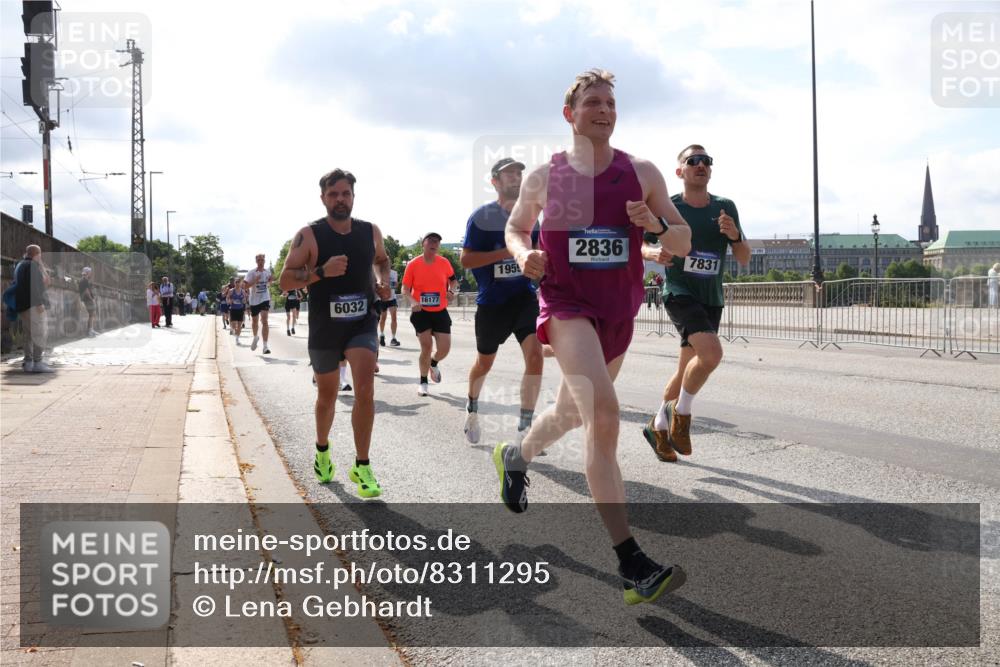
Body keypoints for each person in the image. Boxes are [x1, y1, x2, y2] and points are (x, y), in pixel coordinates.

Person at [499, 68, 691, 605]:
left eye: (610, 102)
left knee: (568, 414)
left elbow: (681, 237)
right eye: (592, 103)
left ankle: (516, 454)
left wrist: (653, 223)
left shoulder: (641, 171)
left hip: (617, 313)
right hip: (565, 305)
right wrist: (523, 255)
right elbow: (516, 227)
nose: (604, 110)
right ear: (570, 115)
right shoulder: (545, 176)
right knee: (603, 415)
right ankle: (631, 564)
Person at [278, 168, 392, 498]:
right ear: (323, 198)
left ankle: (362, 464)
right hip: (325, 327)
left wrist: (384, 282)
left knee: (365, 388)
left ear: (354, 196)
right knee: (327, 396)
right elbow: (285, 281)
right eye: (333, 194)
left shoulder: (371, 232)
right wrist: (321, 272)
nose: (340, 199)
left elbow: (382, 261)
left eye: (345, 193)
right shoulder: (309, 235)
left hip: (362, 322)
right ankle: (323, 451)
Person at [642, 145, 749, 462]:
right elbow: (642, 246)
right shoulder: (669, 207)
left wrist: (734, 236)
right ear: (680, 171)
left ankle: (658, 425)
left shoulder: (725, 207)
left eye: (706, 161)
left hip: (711, 297)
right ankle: (681, 415)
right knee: (712, 353)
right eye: (693, 161)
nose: (701, 165)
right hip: (679, 290)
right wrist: (654, 253)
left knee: (684, 369)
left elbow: (744, 258)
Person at [460, 157, 544, 450]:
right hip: (492, 304)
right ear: (495, 181)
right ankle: (472, 407)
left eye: (520, 173)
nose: (516, 178)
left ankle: (525, 428)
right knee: (484, 363)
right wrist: (508, 254)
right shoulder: (481, 217)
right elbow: (466, 260)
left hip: (523, 298)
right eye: (509, 174)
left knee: (535, 356)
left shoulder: (532, 217)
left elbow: (541, 253)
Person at [402, 233, 459, 396]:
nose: (435, 244)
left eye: (437, 241)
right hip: (421, 312)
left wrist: (451, 291)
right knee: (426, 347)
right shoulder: (413, 264)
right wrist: (413, 301)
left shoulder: (444, 262)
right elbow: (404, 289)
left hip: (440, 311)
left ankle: (433, 363)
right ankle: (423, 382)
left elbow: (453, 281)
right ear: (423, 243)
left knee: (444, 349)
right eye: (431, 241)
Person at [14, 244, 54, 373]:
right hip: (33, 305)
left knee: (28, 335)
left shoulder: (20, 265)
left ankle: (28, 362)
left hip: (22, 305)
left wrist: (40, 265)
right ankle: (38, 362)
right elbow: (35, 285)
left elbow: (43, 282)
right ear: (37, 254)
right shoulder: (32, 266)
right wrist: (39, 303)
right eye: (40, 255)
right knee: (39, 333)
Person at [246, 254, 273, 354]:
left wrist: (271, 280)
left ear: (264, 261)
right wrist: (254, 281)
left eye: (262, 260)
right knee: (255, 322)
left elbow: (270, 281)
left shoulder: (267, 272)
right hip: (254, 300)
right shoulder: (251, 273)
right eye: (258, 260)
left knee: (265, 320)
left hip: (265, 298)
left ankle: (265, 346)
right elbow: (245, 286)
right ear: (256, 261)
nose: (260, 261)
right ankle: (255, 337)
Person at [377, 268, 400, 347]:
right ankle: (382, 335)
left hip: (392, 298)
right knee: (383, 318)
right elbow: (378, 285)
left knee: (394, 318)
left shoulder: (394, 273)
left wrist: (393, 285)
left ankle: (393, 338)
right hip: (383, 298)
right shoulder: (379, 272)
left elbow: (395, 285)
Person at [78, 267, 98, 337]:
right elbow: (86, 291)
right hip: (88, 300)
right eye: (90, 272)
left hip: (85, 300)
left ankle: (91, 329)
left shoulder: (82, 280)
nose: (91, 273)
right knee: (91, 315)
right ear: (87, 273)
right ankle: (90, 331)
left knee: (91, 315)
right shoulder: (85, 280)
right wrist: (91, 299)